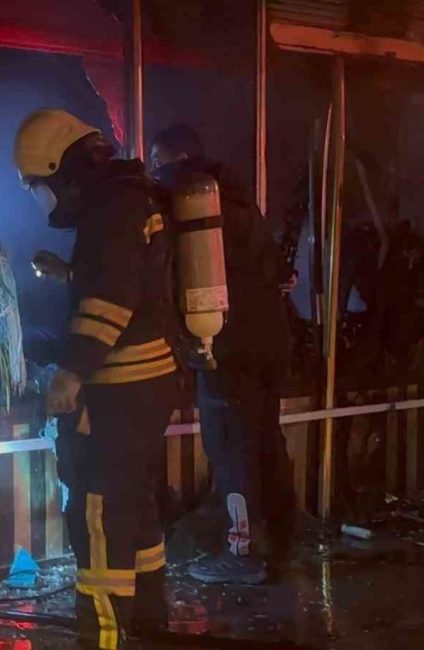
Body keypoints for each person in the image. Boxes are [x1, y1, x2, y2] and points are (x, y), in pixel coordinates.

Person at [15, 109, 179, 649]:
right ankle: (149, 624)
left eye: (38, 186)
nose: (41, 200)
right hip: (149, 381)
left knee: (99, 511)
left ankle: (104, 637)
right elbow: (129, 280)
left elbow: (110, 300)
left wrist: (70, 372)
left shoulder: (110, 208)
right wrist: (68, 273)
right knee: (134, 504)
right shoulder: (131, 198)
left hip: (118, 389)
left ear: (59, 170)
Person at [150, 123, 297, 585]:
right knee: (267, 439)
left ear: (173, 158)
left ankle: (242, 553)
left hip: (223, 345)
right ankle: (285, 540)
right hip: (272, 340)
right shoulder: (240, 198)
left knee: (231, 447)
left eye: (156, 159)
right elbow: (280, 271)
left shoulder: (181, 198)